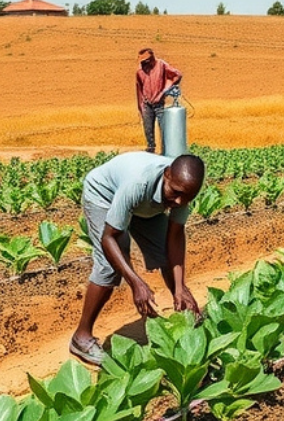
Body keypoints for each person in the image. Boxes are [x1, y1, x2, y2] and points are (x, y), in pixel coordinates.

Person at [69, 151, 205, 366]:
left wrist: (180, 287)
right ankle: (81, 337)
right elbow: (109, 238)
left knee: (164, 252)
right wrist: (136, 283)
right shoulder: (138, 183)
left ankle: (182, 317)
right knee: (109, 266)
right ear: (167, 175)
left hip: (146, 205)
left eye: (187, 198)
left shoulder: (183, 189)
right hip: (104, 194)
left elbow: (175, 237)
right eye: (176, 193)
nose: (180, 201)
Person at [136, 47, 182, 153]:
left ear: (152, 58)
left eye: (147, 60)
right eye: (143, 61)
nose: (145, 63)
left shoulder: (161, 65)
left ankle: (166, 151)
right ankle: (150, 149)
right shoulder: (139, 71)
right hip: (147, 104)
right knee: (148, 129)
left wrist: (164, 91)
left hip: (159, 104)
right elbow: (139, 90)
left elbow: (177, 75)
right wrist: (141, 107)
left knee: (164, 128)